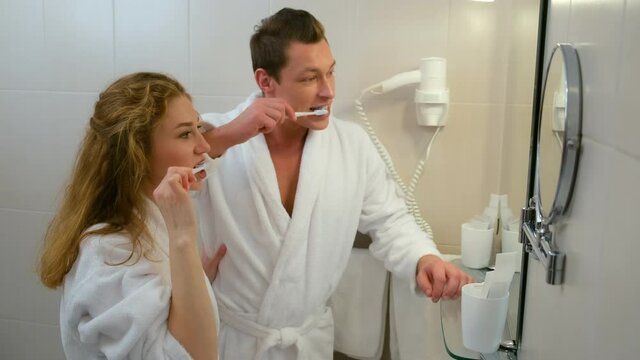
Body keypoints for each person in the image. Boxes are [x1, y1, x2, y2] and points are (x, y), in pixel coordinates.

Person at [195, 8, 474, 359]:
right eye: (310, 78)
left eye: (330, 72)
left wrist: (424, 258)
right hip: (233, 344)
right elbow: (155, 188)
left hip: (307, 344)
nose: (328, 92)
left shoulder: (352, 146)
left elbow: (390, 221)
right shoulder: (215, 139)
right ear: (266, 81)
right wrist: (227, 137)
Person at [37, 72, 262, 360]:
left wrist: (194, 276)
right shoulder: (107, 256)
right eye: (185, 134)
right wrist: (183, 239)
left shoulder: (147, 221)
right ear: (137, 155)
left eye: (198, 127)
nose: (204, 146)